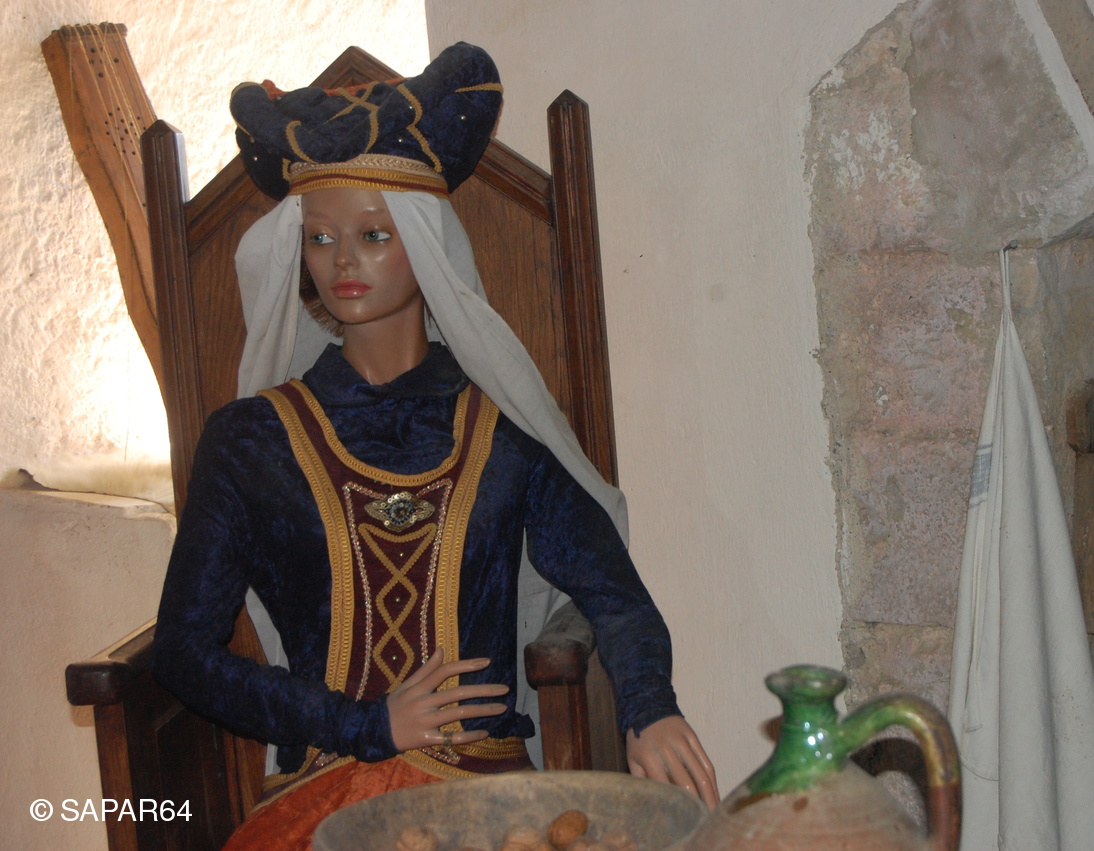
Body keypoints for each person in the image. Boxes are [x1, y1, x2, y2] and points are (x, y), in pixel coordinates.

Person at [151, 42, 717, 849]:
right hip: (323, 796)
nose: (344, 260)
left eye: (374, 234)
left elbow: (613, 591)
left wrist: (649, 705)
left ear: (426, 242)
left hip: (489, 805)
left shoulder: (504, 430)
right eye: (321, 238)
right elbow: (182, 650)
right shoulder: (250, 440)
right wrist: (361, 723)